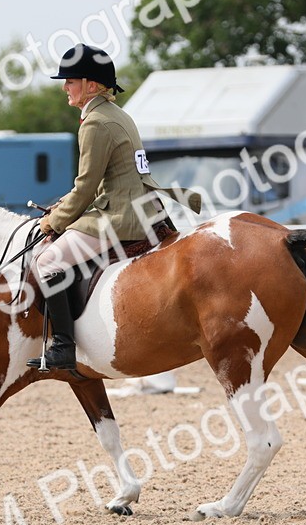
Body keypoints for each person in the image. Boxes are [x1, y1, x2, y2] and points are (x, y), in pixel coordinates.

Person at [29, 43, 201, 371]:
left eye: (70, 81)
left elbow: (86, 186)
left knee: (47, 261)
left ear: (91, 85)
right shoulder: (119, 115)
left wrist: (55, 220)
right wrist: (64, 204)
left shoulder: (95, 122)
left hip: (121, 216)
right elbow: (107, 179)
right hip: (144, 208)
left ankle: (63, 346)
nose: (65, 87)